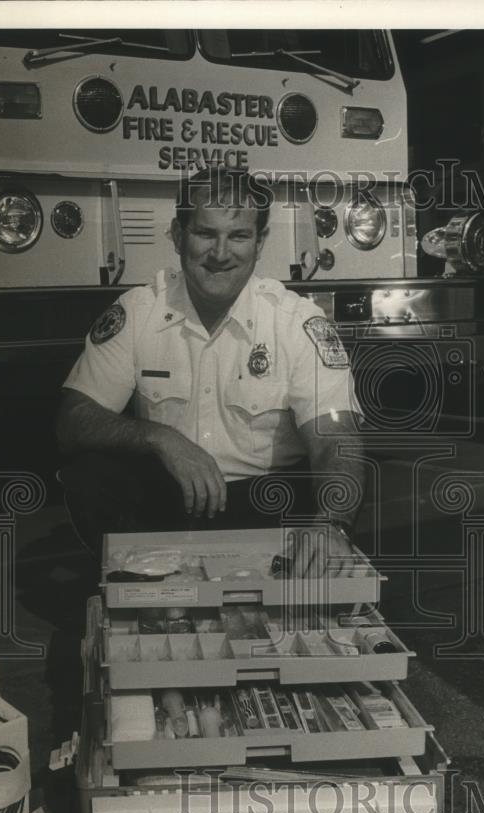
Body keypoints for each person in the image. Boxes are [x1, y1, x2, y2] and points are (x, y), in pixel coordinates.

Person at [56, 168, 365, 577]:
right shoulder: (137, 311)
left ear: (260, 242)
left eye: (238, 236)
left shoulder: (297, 322)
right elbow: (73, 419)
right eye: (205, 233)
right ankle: (142, 581)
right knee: (90, 472)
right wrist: (158, 437)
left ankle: (308, 566)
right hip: (173, 503)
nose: (221, 254)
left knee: (340, 494)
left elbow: (336, 439)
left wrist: (330, 524)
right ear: (178, 235)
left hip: (266, 505)